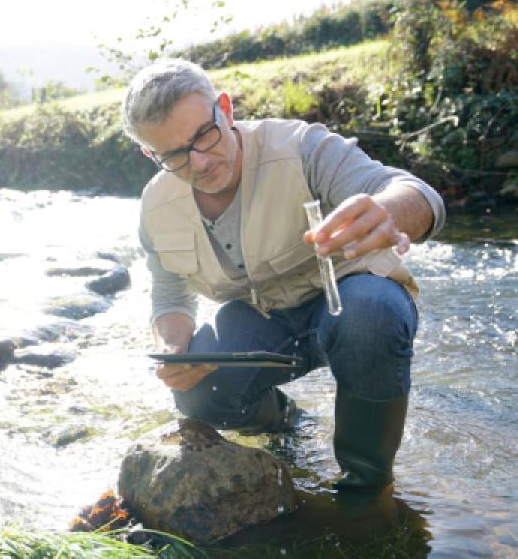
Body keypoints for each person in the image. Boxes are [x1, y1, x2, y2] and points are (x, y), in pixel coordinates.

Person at [122, 58, 445, 496]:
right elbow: (169, 294)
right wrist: (172, 346)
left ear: (225, 108)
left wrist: (389, 210)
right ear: (151, 155)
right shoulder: (155, 207)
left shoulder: (300, 147)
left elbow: (416, 193)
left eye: (203, 134)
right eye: (175, 155)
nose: (199, 162)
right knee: (198, 393)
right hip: (262, 317)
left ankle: (366, 486)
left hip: (348, 298)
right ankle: (284, 424)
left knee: (370, 314)